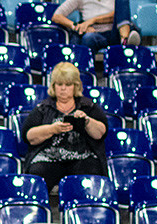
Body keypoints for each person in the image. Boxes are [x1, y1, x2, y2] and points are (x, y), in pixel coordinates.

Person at [21, 61, 109, 191]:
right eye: (59, 84)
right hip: (49, 159)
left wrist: (87, 121)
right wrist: (51, 129)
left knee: (91, 172)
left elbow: (101, 132)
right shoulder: (43, 108)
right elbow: (28, 136)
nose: (63, 88)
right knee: (37, 173)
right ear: (53, 86)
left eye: (68, 85)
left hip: (82, 158)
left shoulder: (88, 107)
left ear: (75, 86)